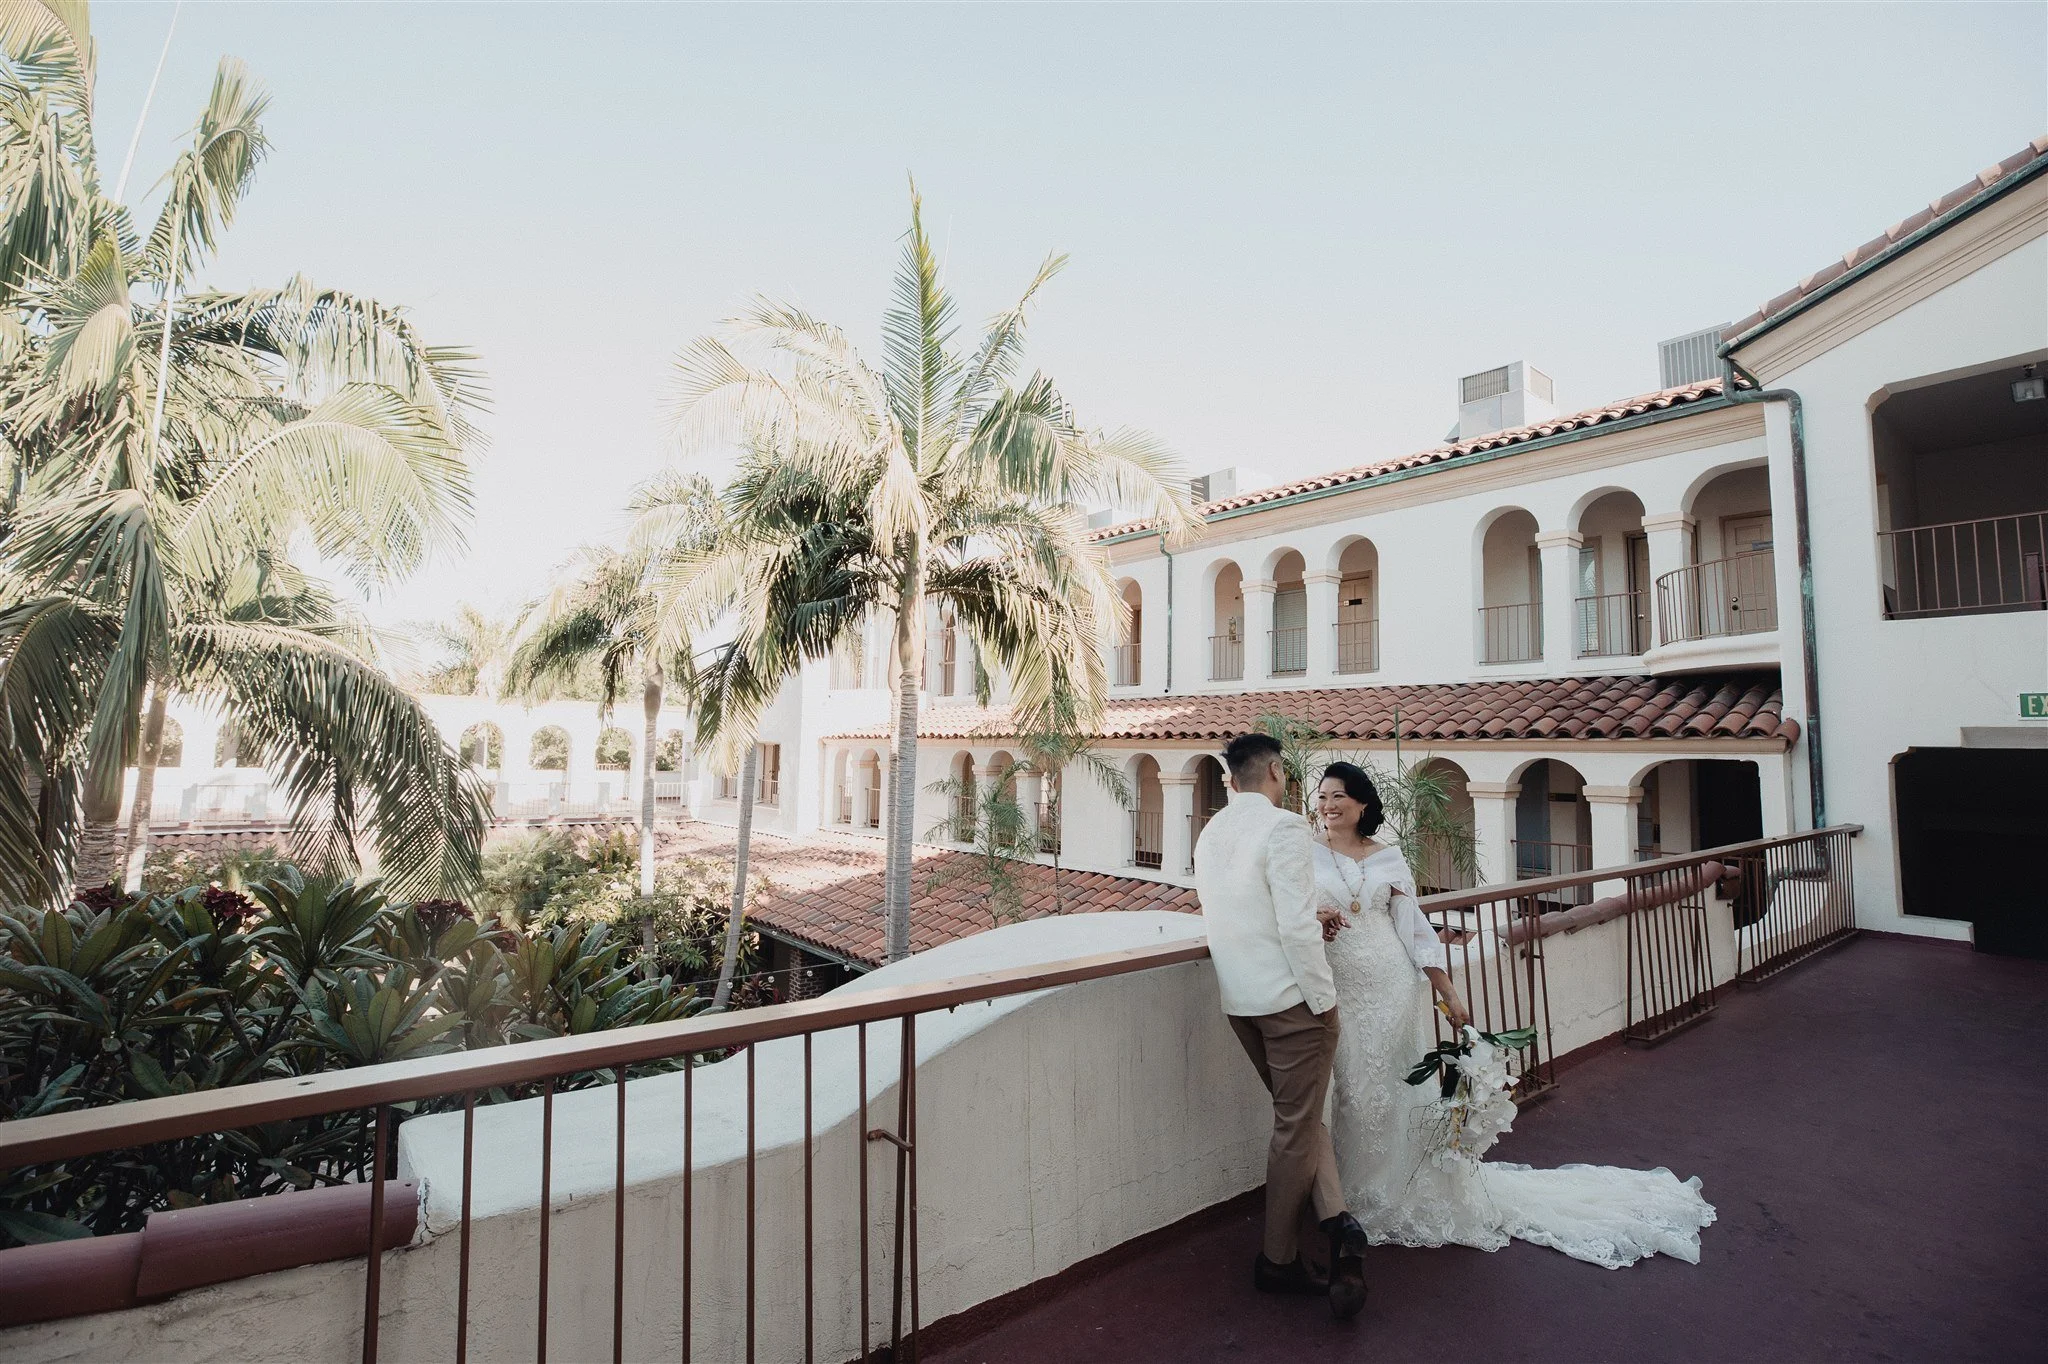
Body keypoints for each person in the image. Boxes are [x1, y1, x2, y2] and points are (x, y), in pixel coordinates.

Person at [1311, 760, 1717, 1268]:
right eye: (1322, 796)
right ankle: (1350, 1194)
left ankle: (1396, 1190)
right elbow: (1287, 910)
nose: (1327, 805)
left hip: (1391, 986)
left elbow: (1413, 929)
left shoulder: (1388, 857)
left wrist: (1447, 990)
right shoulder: (1305, 853)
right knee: (1353, 1089)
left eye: (1338, 796)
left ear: (1361, 803)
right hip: (1341, 988)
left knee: (1397, 1085)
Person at [1192, 732, 1369, 1319]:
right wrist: (1324, 1002)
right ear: (1273, 771)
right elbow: (1294, 928)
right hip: (1292, 1004)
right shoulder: (1285, 827)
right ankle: (1278, 1260)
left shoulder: (1212, 831)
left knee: (1301, 1117)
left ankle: (1340, 1225)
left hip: (1240, 1000)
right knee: (1295, 1128)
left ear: (1232, 778)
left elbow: (1240, 912)